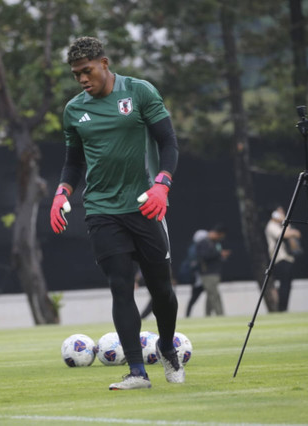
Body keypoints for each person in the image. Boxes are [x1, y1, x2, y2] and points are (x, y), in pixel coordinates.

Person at [50, 36, 183, 390]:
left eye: (87, 71)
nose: (81, 79)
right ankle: (138, 372)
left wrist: (161, 185)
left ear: (105, 64)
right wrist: (62, 192)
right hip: (101, 210)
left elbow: (168, 142)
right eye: (76, 74)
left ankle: (167, 346)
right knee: (120, 286)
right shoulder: (74, 110)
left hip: (145, 205)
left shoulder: (139, 92)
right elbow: (73, 162)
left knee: (161, 290)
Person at [264, 206, 302, 312]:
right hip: (280, 259)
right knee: (284, 284)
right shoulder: (271, 226)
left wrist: (290, 228)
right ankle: (281, 309)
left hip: (288, 258)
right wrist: (293, 231)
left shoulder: (281, 225)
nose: (282, 214)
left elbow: (296, 235)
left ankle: (284, 308)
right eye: (279, 212)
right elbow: (283, 235)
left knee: (287, 284)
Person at [196, 225, 230, 316]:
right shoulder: (204, 243)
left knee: (210, 295)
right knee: (214, 294)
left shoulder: (214, 243)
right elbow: (204, 256)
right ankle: (220, 314)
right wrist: (219, 254)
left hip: (214, 272)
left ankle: (208, 314)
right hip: (207, 273)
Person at [179, 229, 208, 318]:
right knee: (194, 297)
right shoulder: (195, 248)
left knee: (209, 296)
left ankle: (209, 314)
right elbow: (195, 262)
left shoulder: (196, 247)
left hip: (200, 276)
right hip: (198, 277)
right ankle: (187, 315)